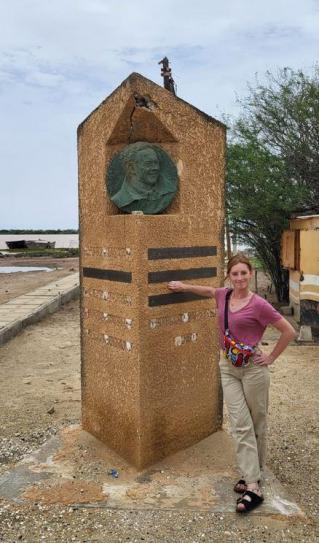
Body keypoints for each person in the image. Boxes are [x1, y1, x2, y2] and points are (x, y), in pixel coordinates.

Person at [168, 253, 296, 513]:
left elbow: (289, 331)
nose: (239, 278)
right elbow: (206, 290)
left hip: (253, 370)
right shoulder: (223, 295)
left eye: (243, 273)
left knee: (257, 421)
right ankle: (253, 484)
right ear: (229, 276)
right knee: (240, 422)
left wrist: (270, 356)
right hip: (228, 367)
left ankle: (253, 474)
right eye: (235, 274)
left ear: (251, 274)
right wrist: (183, 286)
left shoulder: (259, 304)